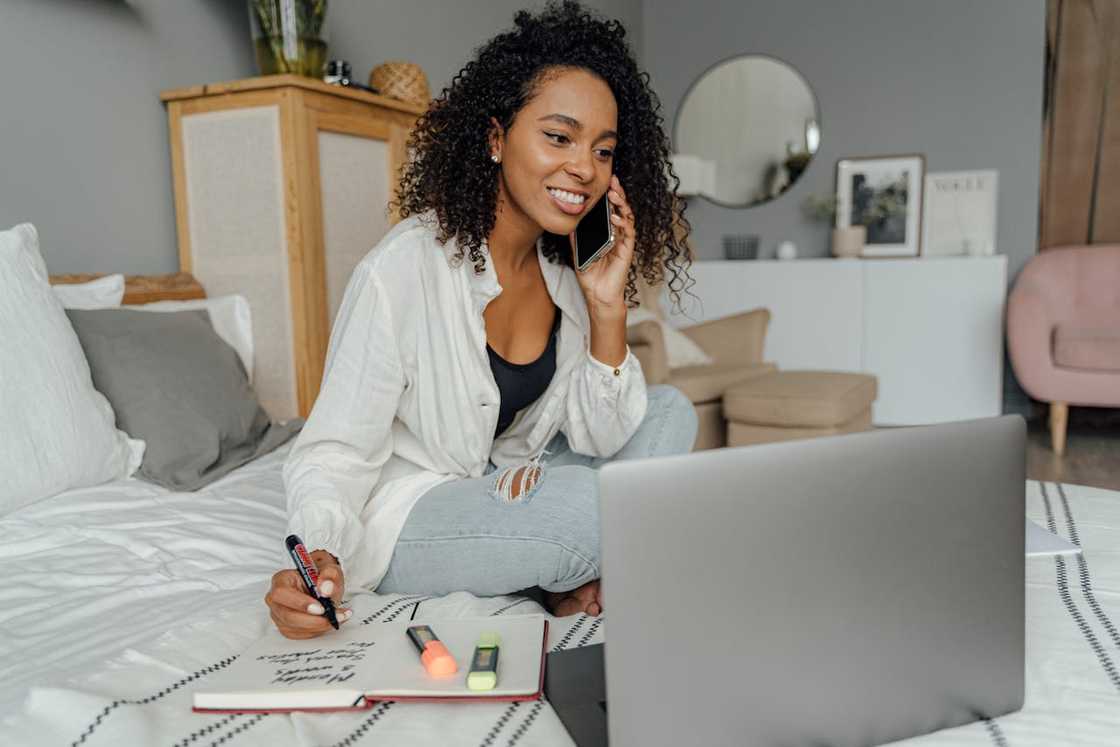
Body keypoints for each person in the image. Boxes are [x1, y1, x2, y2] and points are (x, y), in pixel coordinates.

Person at [264, 0, 696, 640]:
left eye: (603, 150)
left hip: (507, 477)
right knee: (589, 511)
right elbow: (334, 449)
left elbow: (601, 436)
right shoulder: (404, 269)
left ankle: (562, 567)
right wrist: (318, 553)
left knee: (668, 412)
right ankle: (565, 569)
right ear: (496, 138)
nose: (584, 167)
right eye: (558, 136)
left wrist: (607, 305)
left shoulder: (566, 272)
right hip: (416, 508)